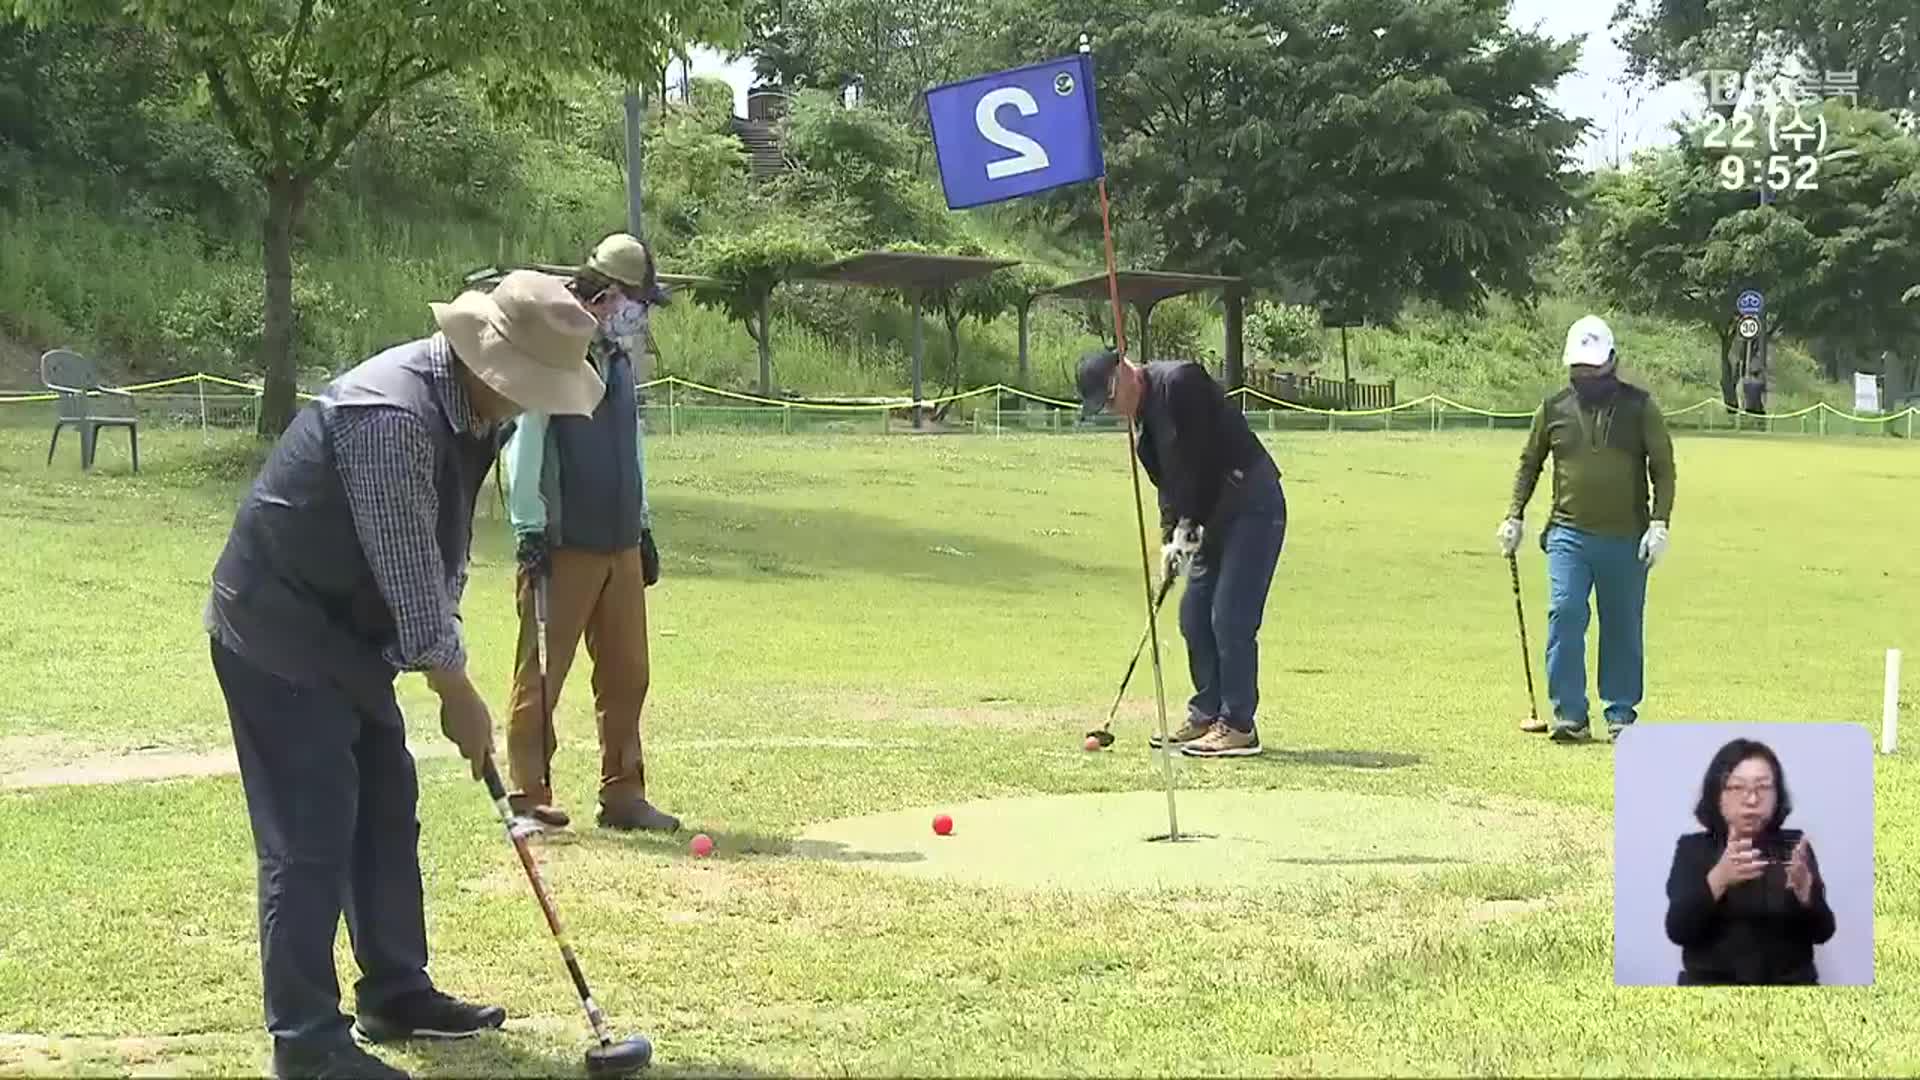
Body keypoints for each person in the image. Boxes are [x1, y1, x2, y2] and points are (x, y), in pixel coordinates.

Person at [203, 270, 605, 1080]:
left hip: (352, 637)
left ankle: (395, 991)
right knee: (309, 834)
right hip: (277, 628)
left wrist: (443, 658)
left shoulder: (476, 411)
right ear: (490, 362)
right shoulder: (387, 415)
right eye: (530, 388)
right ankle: (307, 1042)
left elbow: (442, 546)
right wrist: (454, 684)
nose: (532, 405)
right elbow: (406, 567)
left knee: (386, 808)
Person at [499, 233, 677, 833]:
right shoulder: (554, 351)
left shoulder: (620, 361)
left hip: (619, 542)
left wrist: (643, 525)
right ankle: (527, 796)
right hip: (563, 541)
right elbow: (524, 446)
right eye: (636, 301)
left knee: (629, 675)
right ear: (606, 294)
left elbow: (631, 448)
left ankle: (623, 793)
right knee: (543, 673)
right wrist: (528, 528)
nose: (640, 314)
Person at [1076, 347, 1287, 758]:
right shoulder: (1142, 432)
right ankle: (1207, 713)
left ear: (1125, 372)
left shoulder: (1180, 382)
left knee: (1230, 616)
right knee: (1194, 615)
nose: (1115, 411)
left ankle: (1239, 725)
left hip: (1251, 504)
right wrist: (1170, 541)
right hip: (1208, 518)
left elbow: (1202, 462)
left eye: (1111, 399)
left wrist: (1187, 528)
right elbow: (1170, 490)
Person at [1498, 315, 1676, 742]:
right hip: (1568, 535)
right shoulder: (1553, 408)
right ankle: (1570, 714)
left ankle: (1620, 714)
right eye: (1578, 369)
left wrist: (1659, 523)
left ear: (1612, 362)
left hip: (1626, 537)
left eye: (1593, 369)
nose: (1586, 377)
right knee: (1565, 613)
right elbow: (1530, 462)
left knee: (1622, 624)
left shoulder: (1640, 407)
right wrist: (1514, 514)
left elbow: (1663, 468)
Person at [1663, 738, 1835, 985]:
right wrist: (1718, 879)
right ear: (1717, 795)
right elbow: (1677, 929)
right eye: (1736, 787)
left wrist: (1808, 894)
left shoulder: (1794, 847)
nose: (1752, 799)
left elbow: (1823, 932)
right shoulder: (1693, 849)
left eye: (1763, 787)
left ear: (1777, 795)